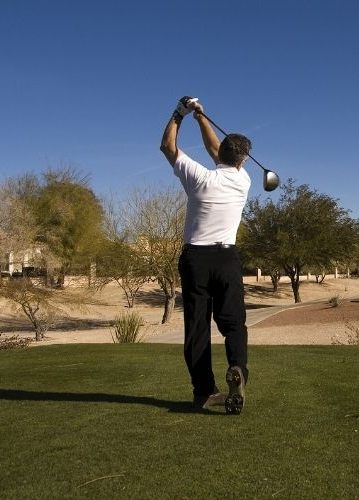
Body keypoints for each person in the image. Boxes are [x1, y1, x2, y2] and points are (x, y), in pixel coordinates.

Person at [159, 96, 250, 414]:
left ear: (223, 155)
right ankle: (237, 368)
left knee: (197, 327)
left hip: (195, 259)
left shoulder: (199, 177)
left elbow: (167, 147)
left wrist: (181, 114)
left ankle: (204, 392)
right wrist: (202, 119)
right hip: (227, 259)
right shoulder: (243, 180)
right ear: (243, 160)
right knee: (234, 323)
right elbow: (219, 153)